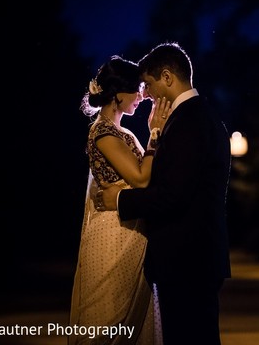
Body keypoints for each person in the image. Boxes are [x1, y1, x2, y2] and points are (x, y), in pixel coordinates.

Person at [95, 42, 232, 345]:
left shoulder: (190, 121)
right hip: (194, 256)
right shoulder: (197, 117)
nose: (147, 94)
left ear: (168, 77)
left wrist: (118, 199)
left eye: (150, 84)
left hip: (188, 258)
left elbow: (171, 195)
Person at [69, 55, 171, 345]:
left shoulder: (121, 132)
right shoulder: (102, 133)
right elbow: (139, 179)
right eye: (136, 89)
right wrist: (154, 134)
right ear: (117, 94)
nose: (141, 96)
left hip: (130, 228)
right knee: (106, 318)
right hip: (113, 233)